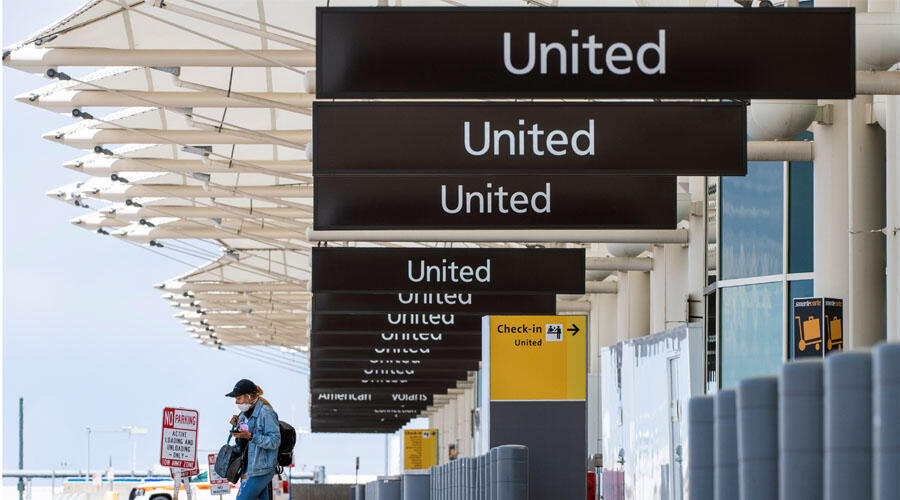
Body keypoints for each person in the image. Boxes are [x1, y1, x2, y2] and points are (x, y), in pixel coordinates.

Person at [226, 379, 281, 500]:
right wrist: (237, 428)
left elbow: (275, 441)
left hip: (261, 469)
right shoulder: (243, 414)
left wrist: (251, 436)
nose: (236, 402)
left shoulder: (266, 413)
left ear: (249, 397)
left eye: (238, 398)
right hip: (248, 467)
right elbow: (244, 443)